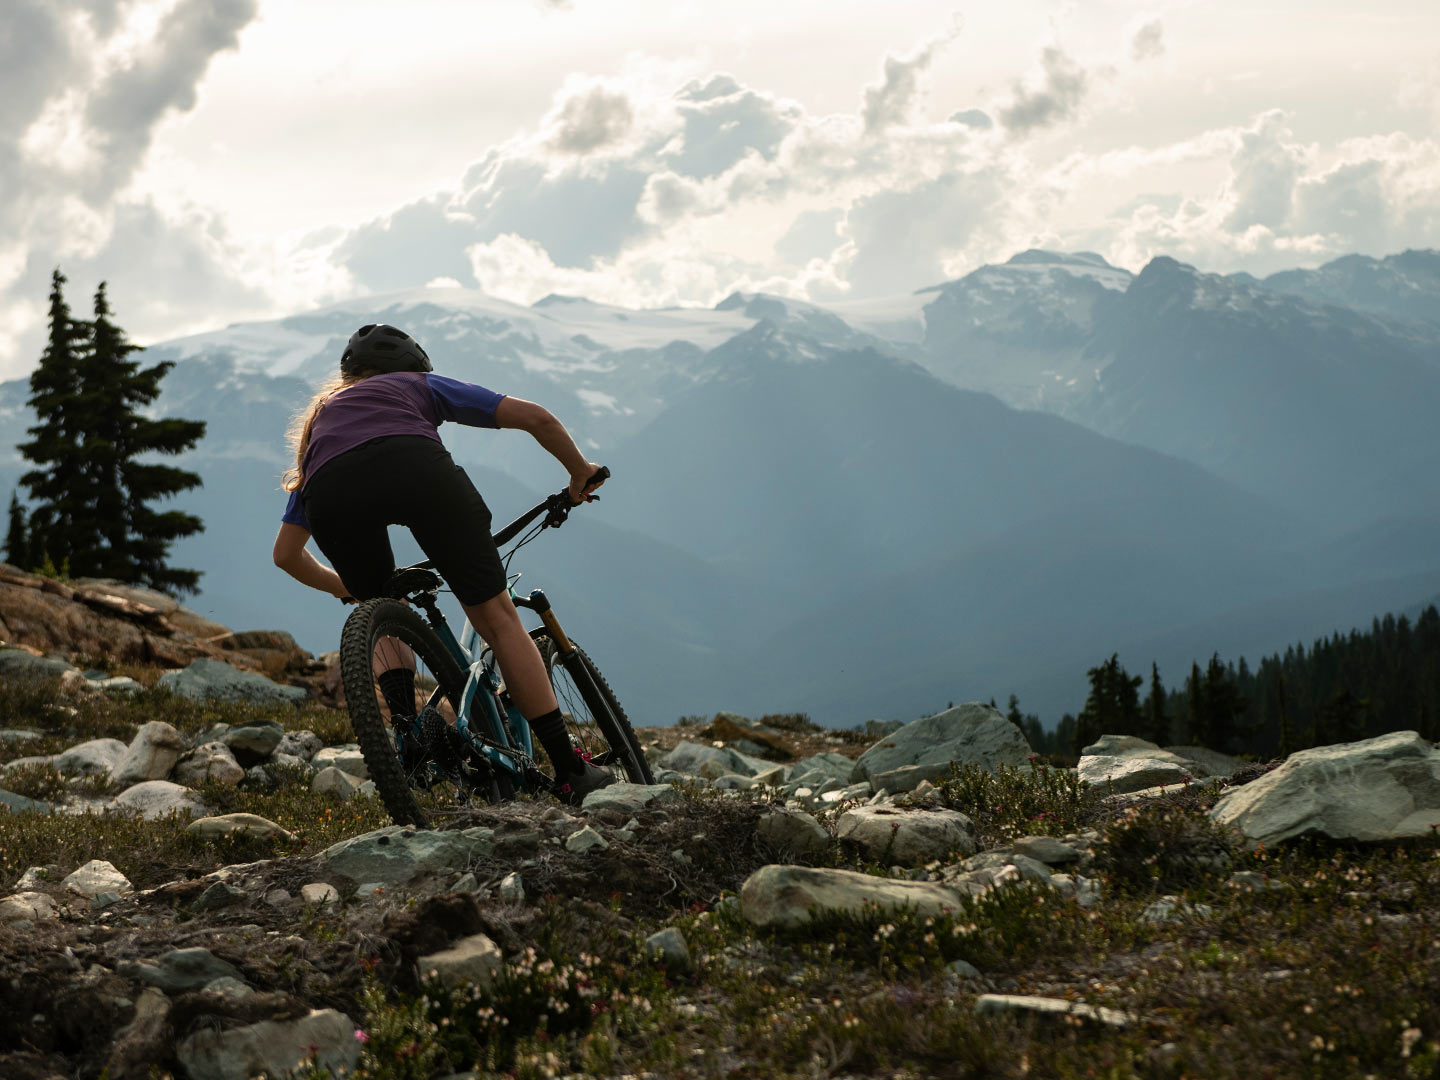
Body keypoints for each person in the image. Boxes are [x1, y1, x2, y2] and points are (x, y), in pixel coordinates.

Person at [271, 322, 614, 804]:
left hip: (333, 493)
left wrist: (348, 589)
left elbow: (285, 555)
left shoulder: (318, 434)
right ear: (411, 367)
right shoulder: (418, 385)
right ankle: (568, 771)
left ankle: (408, 736)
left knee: (383, 610)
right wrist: (580, 472)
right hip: (419, 473)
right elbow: (536, 417)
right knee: (498, 619)